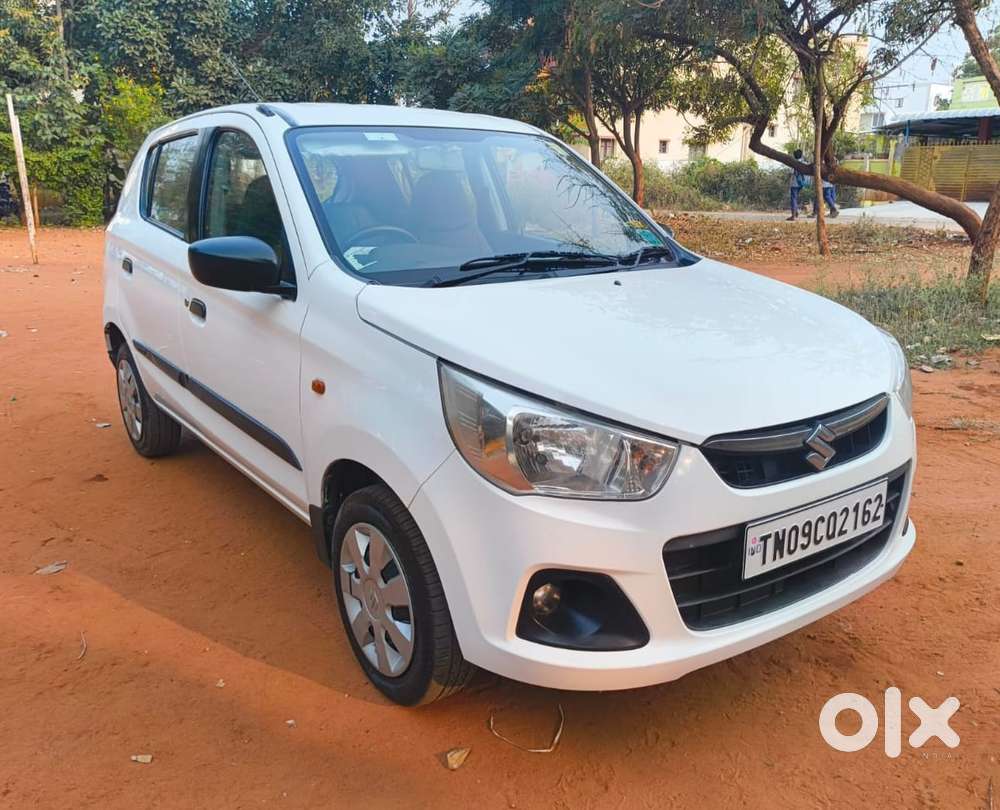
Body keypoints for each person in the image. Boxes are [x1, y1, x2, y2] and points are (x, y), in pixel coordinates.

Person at [787, 149, 806, 221]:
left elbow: (790, 173)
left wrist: (788, 183)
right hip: (801, 183)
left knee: (793, 199)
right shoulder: (803, 162)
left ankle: (793, 215)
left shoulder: (793, 163)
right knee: (796, 197)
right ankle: (796, 212)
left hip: (794, 183)